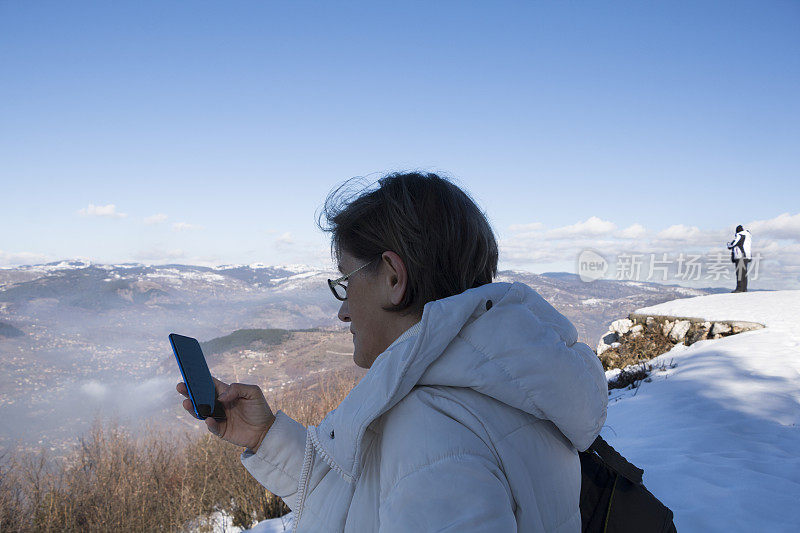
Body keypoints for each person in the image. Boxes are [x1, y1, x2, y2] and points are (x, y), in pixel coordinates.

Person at [176, 172, 608, 532]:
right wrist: (266, 437)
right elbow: (365, 504)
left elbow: (423, 473)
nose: (343, 312)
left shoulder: (430, 425)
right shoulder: (503, 385)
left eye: (346, 281)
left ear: (392, 278)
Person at [726, 224, 752, 293]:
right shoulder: (748, 236)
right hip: (746, 256)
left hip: (740, 255)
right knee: (744, 273)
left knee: (740, 272)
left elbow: (733, 244)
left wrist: (728, 244)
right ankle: (744, 288)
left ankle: (739, 288)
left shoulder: (740, 235)